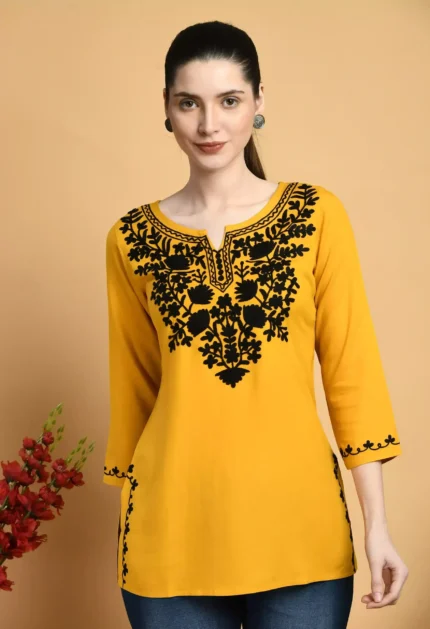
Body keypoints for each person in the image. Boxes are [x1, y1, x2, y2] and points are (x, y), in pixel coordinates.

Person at [102, 19, 408, 629]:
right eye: (189, 103)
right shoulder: (131, 238)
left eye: (228, 100)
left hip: (301, 533)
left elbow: (352, 378)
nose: (208, 125)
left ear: (258, 101)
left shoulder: (316, 216)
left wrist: (377, 527)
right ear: (166, 108)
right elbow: (136, 392)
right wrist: (131, 524)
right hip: (169, 535)